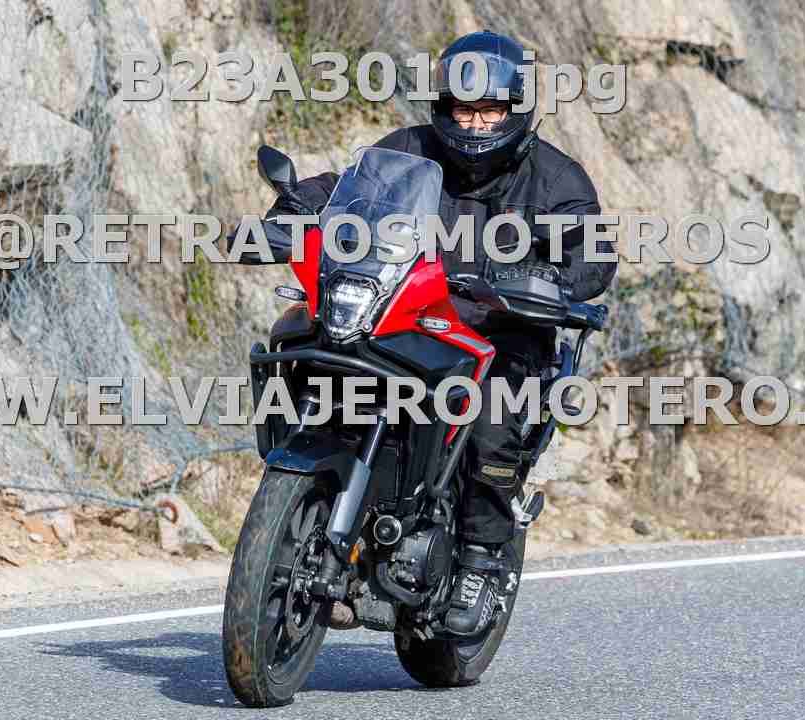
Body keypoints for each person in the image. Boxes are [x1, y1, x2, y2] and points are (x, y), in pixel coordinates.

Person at [262, 30, 617, 636]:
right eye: (463, 109)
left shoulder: (554, 178)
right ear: (444, 107)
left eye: (489, 111)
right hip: (405, 315)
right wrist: (298, 206)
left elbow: (593, 251)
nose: (475, 125)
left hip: (501, 332)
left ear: (515, 109)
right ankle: (317, 495)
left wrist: (550, 278)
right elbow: (351, 187)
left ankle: (479, 558)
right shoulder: (410, 148)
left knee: (492, 418)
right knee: (306, 343)